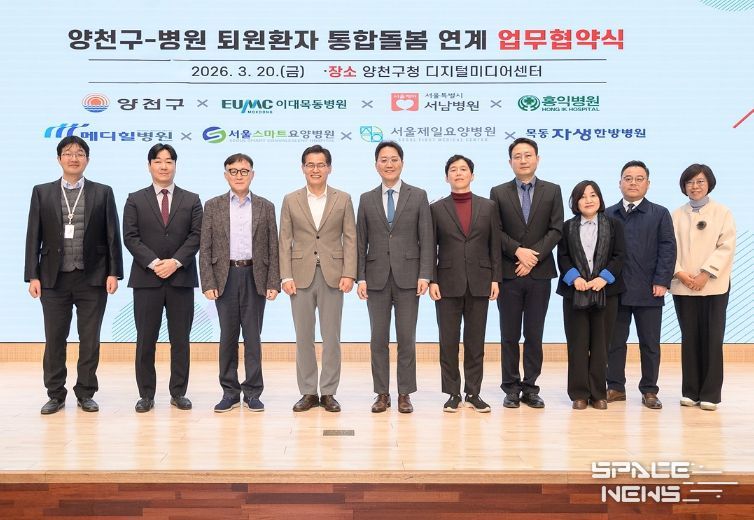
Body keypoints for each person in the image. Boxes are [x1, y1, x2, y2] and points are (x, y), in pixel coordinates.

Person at [25, 136, 123, 415]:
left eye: (79, 153)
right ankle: (55, 394)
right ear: (59, 159)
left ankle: (86, 392)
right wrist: (32, 275)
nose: (74, 158)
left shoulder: (102, 192)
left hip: (93, 277)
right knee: (55, 338)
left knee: (90, 339)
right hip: (52, 278)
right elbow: (33, 235)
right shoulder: (41, 192)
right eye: (68, 153)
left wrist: (114, 272)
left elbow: (112, 234)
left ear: (87, 160)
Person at [122, 144, 202, 413]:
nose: (164, 166)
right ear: (149, 166)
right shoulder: (135, 199)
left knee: (181, 340)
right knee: (146, 339)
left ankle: (178, 393)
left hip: (181, 279)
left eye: (169, 161)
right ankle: (146, 394)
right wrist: (156, 263)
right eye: (158, 161)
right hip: (147, 279)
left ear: (175, 165)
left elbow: (196, 236)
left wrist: (175, 262)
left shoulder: (192, 199)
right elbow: (130, 237)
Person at [356, 141, 433, 414]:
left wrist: (425, 274)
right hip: (376, 278)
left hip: (409, 278)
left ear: (402, 162)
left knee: (406, 339)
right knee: (378, 339)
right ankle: (381, 393)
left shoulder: (418, 195)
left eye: (394, 159)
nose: (389, 164)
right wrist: (360, 277)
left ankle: (404, 393)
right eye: (384, 159)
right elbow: (360, 241)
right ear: (376, 164)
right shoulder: (366, 198)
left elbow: (427, 238)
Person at [200, 153, 280, 413]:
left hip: (255, 276)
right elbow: (205, 247)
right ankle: (230, 392)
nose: (238, 176)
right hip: (225, 277)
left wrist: (273, 282)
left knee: (253, 337)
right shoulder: (213, 206)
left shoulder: (266, 206)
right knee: (228, 337)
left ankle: (253, 392)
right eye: (233, 171)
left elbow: (273, 246)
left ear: (252, 175)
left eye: (244, 171)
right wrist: (208, 281)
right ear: (226, 175)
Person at [279, 144, 357, 413]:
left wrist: (349, 273)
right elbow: (284, 240)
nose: (315, 169)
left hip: (333, 276)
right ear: (303, 168)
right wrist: (285, 275)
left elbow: (350, 238)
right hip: (299, 276)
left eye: (321, 164)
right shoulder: (290, 199)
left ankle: (329, 392)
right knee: (303, 337)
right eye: (310, 165)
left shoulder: (343, 198)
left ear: (329, 168)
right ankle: (308, 392)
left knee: (331, 337)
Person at [489, 137, 563, 408]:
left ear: (537, 159)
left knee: (534, 333)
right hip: (509, 273)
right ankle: (510, 387)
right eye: (517, 156)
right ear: (510, 162)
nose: (523, 160)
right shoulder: (498, 192)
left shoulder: (552, 190)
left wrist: (533, 257)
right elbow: (495, 230)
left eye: (528, 155)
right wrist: (518, 251)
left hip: (539, 274)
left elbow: (556, 229)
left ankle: (531, 387)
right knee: (509, 334)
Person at [429, 155, 502, 413]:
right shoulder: (436, 208)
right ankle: (452, 393)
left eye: (463, 169)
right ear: (446, 176)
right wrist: (432, 280)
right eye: (453, 169)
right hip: (446, 283)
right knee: (448, 342)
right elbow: (430, 247)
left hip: (480, 281)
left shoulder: (489, 206)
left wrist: (495, 278)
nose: (458, 173)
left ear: (472, 175)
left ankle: (473, 392)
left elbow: (495, 245)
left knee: (475, 342)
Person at [605, 160, 676, 409]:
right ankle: (615, 387)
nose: (633, 183)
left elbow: (668, 249)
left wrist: (662, 280)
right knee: (614, 343)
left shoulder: (660, 213)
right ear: (620, 183)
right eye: (628, 178)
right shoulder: (608, 214)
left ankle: (649, 390)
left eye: (639, 178)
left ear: (648, 183)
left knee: (650, 344)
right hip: (615, 290)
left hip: (649, 290)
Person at [671, 164, 735, 411]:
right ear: (683, 186)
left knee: (712, 338)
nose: (694, 186)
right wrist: (680, 273)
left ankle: (710, 394)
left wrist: (705, 274)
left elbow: (726, 246)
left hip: (713, 285)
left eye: (700, 181)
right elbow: (668, 248)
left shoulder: (722, 212)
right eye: (690, 182)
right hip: (683, 284)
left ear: (709, 184)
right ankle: (690, 391)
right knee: (689, 338)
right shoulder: (676, 215)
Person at [556, 181, 625, 410]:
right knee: (577, 344)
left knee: (601, 345)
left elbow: (619, 256)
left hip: (606, 292)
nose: (588, 200)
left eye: (593, 195)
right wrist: (574, 278)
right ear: (575, 202)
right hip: (575, 293)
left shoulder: (613, 224)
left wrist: (603, 278)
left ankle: (598, 394)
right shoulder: (567, 227)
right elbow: (563, 257)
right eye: (583, 196)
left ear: (600, 199)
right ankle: (579, 394)